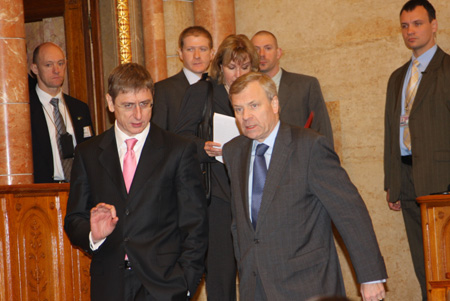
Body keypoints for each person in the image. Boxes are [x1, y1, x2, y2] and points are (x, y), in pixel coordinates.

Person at [223, 72, 387, 301]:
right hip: (255, 285)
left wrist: (370, 277)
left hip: (307, 284)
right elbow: (240, 223)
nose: (246, 116)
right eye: (238, 109)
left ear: (274, 103)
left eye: (253, 105)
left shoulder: (310, 146)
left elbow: (349, 212)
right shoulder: (233, 151)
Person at [64, 63, 208, 301]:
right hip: (109, 283)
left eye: (145, 104)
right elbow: (74, 219)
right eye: (128, 106)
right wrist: (94, 234)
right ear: (111, 103)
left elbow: (195, 223)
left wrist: (187, 283)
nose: (138, 115)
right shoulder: (88, 153)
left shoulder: (178, 150)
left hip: (164, 285)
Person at [175, 34, 259, 300]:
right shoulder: (204, 91)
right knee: (221, 277)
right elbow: (180, 139)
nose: (237, 74)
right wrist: (204, 148)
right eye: (231, 67)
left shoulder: (257, 96)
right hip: (218, 198)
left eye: (244, 67)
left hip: (252, 194)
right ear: (220, 66)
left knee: (256, 272)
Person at [384, 1, 450, 299]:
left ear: (434, 25)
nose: (410, 31)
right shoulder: (398, 77)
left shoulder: (447, 69)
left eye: (418, 23)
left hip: (442, 181)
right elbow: (390, 133)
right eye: (405, 25)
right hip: (408, 180)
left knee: (445, 265)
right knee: (423, 265)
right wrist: (392, 183)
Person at [251, 31, 333, 146]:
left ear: (278, 53)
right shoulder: (246, 91)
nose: (262, 54)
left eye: (268, 48)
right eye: (256, 50)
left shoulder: (306, 85)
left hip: (299, 160)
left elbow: (323, 131)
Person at [29, 42, 94, 183]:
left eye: (60, 63)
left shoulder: (80, 108)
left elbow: (91, 155)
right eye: (49, 65)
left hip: (77, 190)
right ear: (35, 68)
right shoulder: (26, 110)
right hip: (43, 192)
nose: (56, 70)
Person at [152, 26, 214, 131]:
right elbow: (158, 135)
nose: (197, 56)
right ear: (180, 54)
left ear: (212, 54)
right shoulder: (163, 90)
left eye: (203, 49)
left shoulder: (218, 87)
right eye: (190, 50)